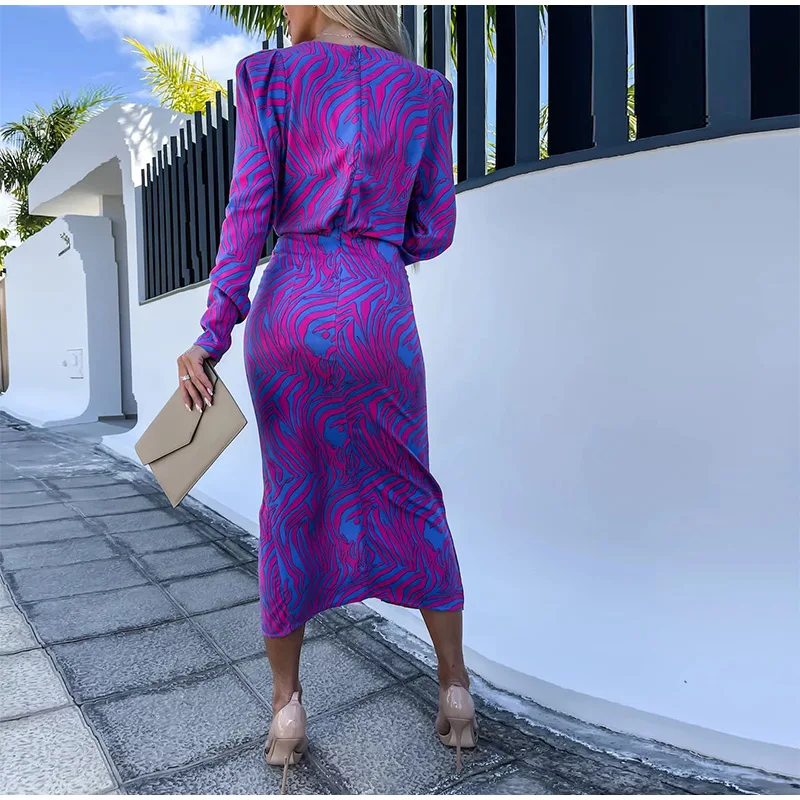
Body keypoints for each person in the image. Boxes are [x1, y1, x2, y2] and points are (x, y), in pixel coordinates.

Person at [176, 5, 474, 789]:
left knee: (290, 504)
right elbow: (435, 229)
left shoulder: (269, 78)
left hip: (291, 309)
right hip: (379, 312)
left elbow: (247, 215)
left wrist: (211, 335)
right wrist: (374, 244)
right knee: (412, 492)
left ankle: (287, 710)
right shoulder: (424, 90)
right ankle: (455, 690)